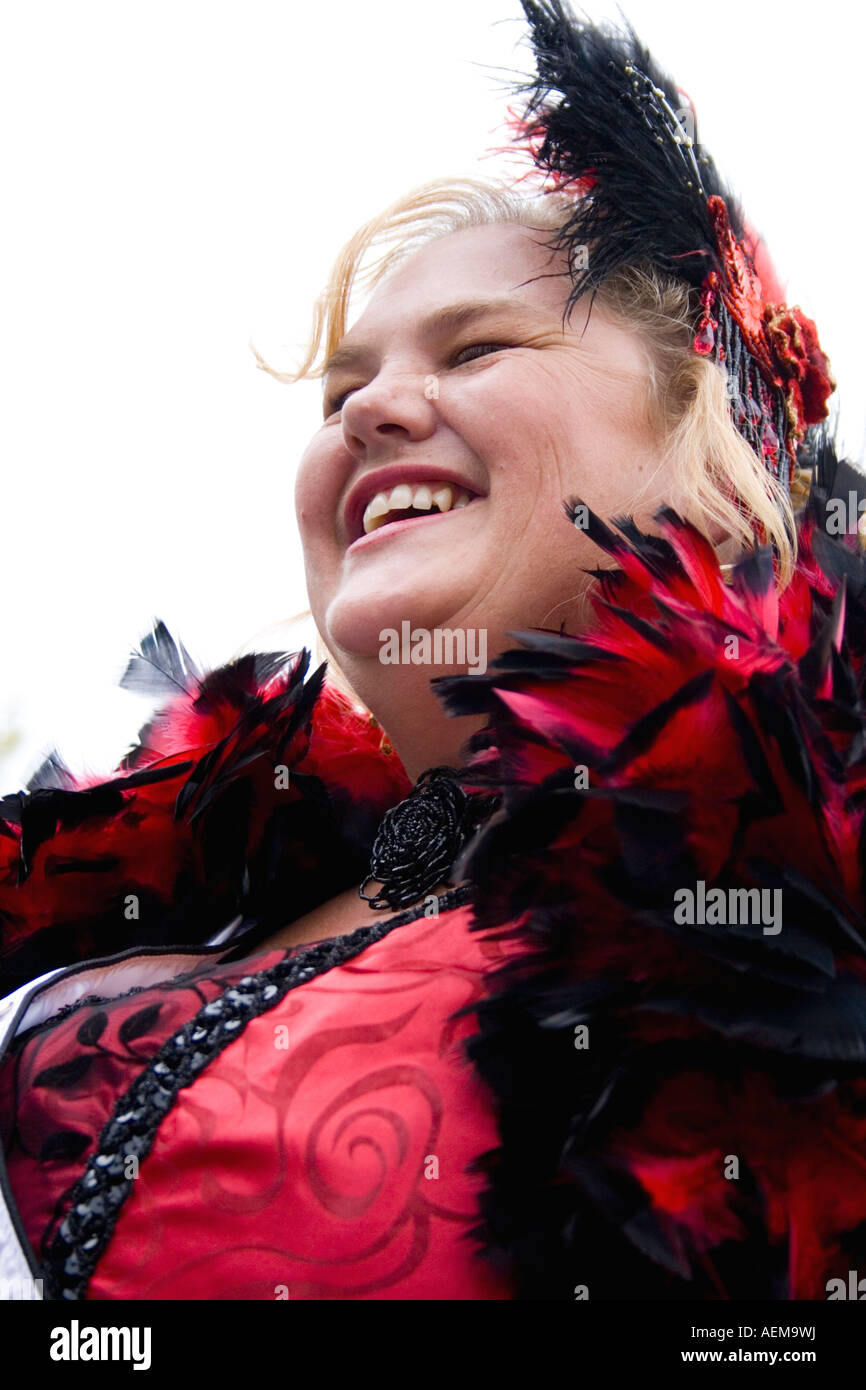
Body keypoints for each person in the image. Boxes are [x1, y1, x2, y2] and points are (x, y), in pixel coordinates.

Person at [1, 0, 864, 1301]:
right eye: (341, 392)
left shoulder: (818, 897)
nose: (372, 413)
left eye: (476, 348)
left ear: (719, 471)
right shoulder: (181, 888)